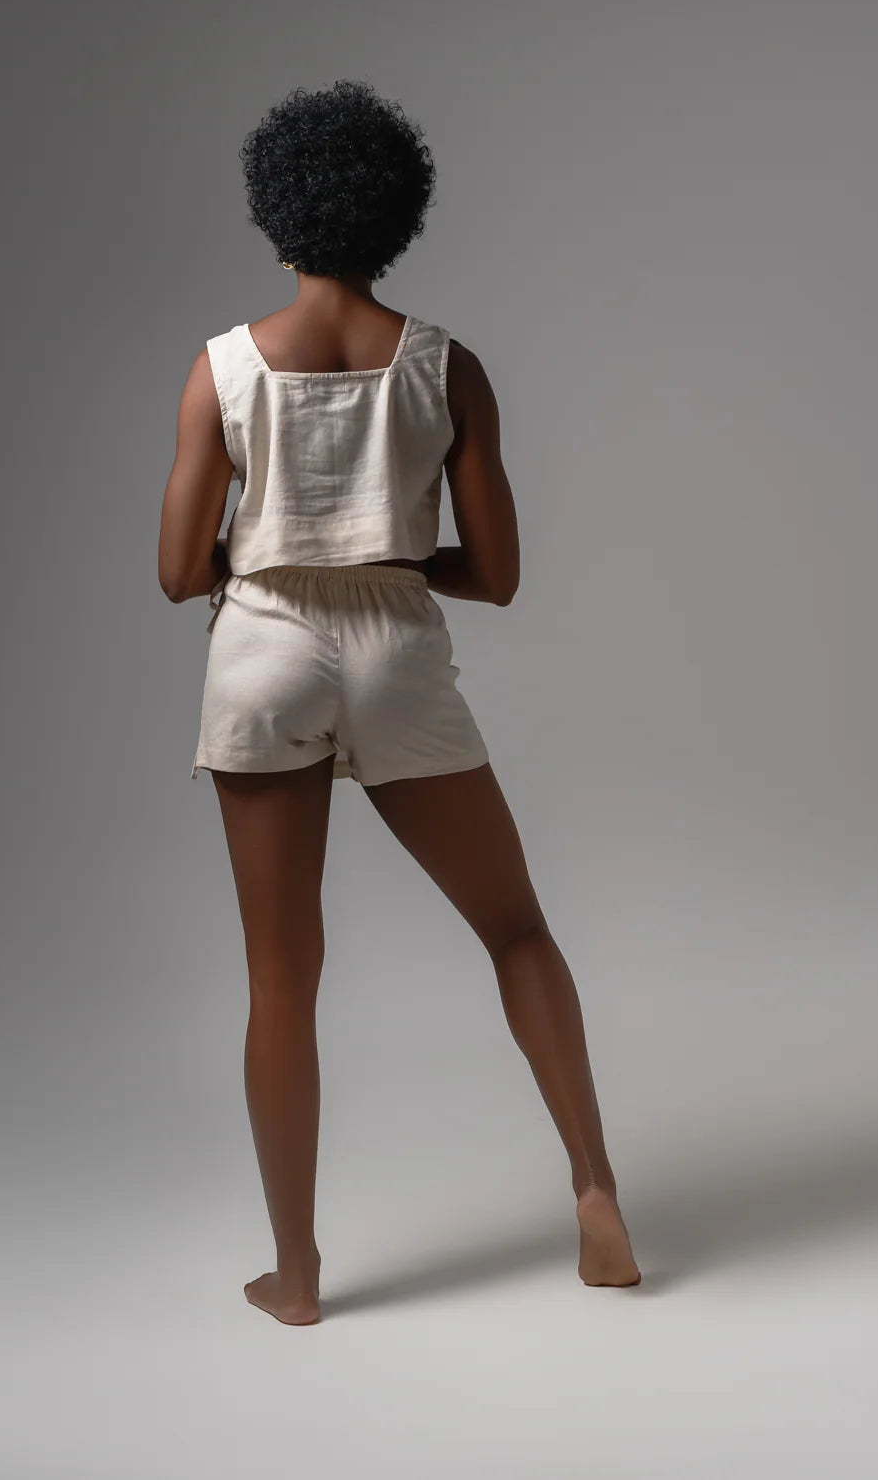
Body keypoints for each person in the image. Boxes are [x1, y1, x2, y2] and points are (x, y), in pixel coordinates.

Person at [158, 79, 639, 1325]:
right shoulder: (446, 366)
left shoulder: (221, 370)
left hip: (262, 646)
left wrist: (273, 555)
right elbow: (501, 574)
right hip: (397, 647)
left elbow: (174, 572)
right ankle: (595, 1190)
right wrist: (391, 560)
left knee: (281, 977)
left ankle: (297, 1276)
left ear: (278, 209)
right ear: (396, 214)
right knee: (516, 930)